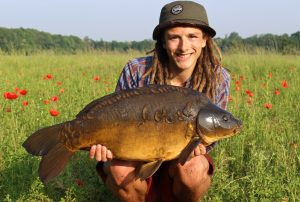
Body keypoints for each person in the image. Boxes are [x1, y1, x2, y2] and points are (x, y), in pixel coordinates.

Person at [89, 1, 230, 201]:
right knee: (119, 170)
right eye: (174, 37)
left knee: (195, 170)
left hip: (183, 155)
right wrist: (104, 144)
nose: (183, 47)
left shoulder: (218, 78)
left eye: (192, 36)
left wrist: (199, 147)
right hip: (136, 152)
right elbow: (116, 119)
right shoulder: (136, 70)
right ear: (163, 41)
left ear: (204, 40)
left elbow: (210, 135)